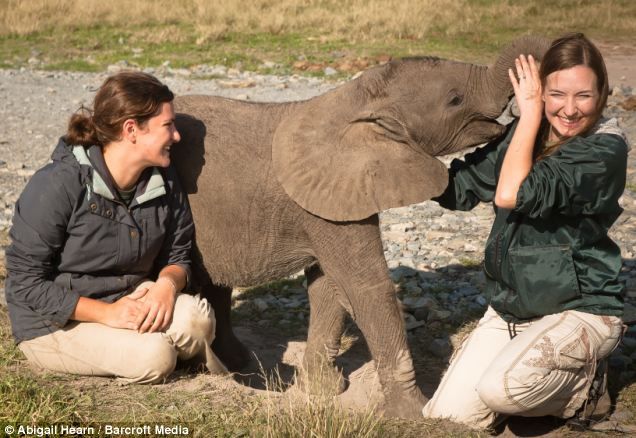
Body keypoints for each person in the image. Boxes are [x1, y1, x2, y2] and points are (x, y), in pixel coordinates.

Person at [421, 33, 629, 429]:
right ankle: (529, 372)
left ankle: (584, 390)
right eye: (557, 94)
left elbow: (511, 194)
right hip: (511, 311)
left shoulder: (603, 152)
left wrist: (531, 114)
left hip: (581, 311)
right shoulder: (527, 133)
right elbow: (461, 189)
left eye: (583, 96)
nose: (569, 110)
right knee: (446, 418)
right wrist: (397, 156)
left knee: (502, 390)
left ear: (602, 94)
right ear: (542, 90)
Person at [5, 71, 226, 383]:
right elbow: (25, 284)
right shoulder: (58, 184)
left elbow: (178, 254)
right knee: (156, 355)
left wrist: (166, 286)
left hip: (128, 298)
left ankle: (159, 351)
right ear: (131, 129)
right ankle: (152, 353)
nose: (176, 136)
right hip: (54, 323)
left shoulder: (163, 178)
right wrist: (108, 314)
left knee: (197, 322)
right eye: (167, 125)